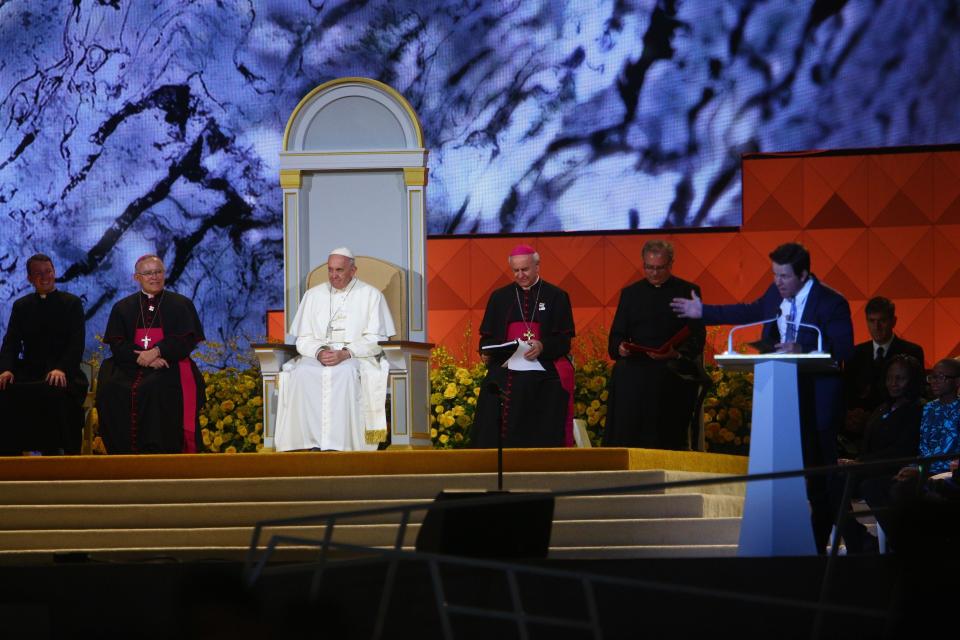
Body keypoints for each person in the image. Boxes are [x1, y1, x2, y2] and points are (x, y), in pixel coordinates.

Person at [670, 241, 854, 553]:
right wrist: (702, 312)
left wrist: (804, 349)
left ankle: (842, 542)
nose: (778, 282)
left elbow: (845, 349)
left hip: (817, 403)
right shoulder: (774, 295)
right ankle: (819, 545)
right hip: (782, 399)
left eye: (784, 276)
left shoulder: (830, 302)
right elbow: (748, 311)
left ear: (804, 274)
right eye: (774, 275)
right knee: (802, 479)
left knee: (821, 477)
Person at [274, 247, 395, 452]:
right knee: (303, 372)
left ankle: (343, 444)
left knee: (345, 373)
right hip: (318, 355)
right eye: (330, 270)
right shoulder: (313, 295)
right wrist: (320, 351)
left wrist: (345, 353)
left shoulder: (371, 295)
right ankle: (307, 442)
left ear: (353, 270)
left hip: (355, 356)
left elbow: (377, 339)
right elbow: (303, 339)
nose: (333, 275)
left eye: (339, 270)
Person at [95, 255, 206, 454]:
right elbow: (117, 343)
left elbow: (187, 340)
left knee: (156, 387)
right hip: (130, 365)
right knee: (111, 387)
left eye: (158, 272)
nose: (154, 277)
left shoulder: (181, 304)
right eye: (148, 273)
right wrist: (141, 358)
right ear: (137, 277)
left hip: (169, 363)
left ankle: (161, 450)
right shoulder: (122, 307)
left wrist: (157, 351)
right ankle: (122, 452)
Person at [603, 240, 706, 450]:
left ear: (671, 264)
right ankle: (625, 453)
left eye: (660, 268)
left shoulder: (688, 291)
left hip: (672, 365)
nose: (654, 273)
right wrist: (620, 347)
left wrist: (674, 353)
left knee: (665, 381)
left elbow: (697, 335)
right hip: (637, 362)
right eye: (649, 268)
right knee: (622, 372)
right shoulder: (631, 293)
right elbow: (617, 334)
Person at [472, 244, 575, 448]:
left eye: (525, 269)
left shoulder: (556, 296)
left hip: (543, 367)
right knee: (491, 390)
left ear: (537, 266)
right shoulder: (499, 297)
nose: (520, 275)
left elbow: (564, 341)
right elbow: (487, 339)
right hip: (505, 366)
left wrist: (542, 345)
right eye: (516, 270)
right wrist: (486, 352)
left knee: (541, 388)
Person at [859, 357, 960, 551]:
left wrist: (920, 471)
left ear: (957, 382)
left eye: (942, 377)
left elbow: (949, 457)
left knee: (901, 491)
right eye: (933, 377)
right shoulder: (929, 408)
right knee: (872, 486)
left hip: (946, 473)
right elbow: (923, 448)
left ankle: (910, 547)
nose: (935, 381)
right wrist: (915, 467)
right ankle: (904, 544)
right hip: (922, 469)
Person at [0, 254, 87, 455]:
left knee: (54, 391)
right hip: (30, 372)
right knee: (5, 392)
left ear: (54, 272)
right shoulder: (21, 306)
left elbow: (76, 344)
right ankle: (9, 462)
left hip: (66, 373)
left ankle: (59, 456)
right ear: (30, 278)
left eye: (48, 271)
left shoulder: (71, 304)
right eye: (38, 273)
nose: (45, 277)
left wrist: (61, 368)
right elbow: (11, 342)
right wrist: (5, 369)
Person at [836, 354, 923, 553]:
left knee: (871, 486)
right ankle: (859, 539)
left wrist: (859, 463)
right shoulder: (883, 407)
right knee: (831, 483)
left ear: (912, 381)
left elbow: (902, 449)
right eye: (890, 378)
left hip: (894, 468)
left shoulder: (916, 409)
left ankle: (901, 544)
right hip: (868, 466)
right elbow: (868, 444)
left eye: (900, 378)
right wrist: (854, 461)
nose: (893, 383)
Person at [843, 296, 924, 456]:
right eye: (871, 321)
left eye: (882, 321)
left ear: (893, 321)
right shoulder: (854, 353)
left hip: (896, 428)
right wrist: (851, 415)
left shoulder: (912, 351)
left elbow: (914, 393)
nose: (876, 327)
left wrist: (876, 417)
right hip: (857, 430)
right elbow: (847, 391)